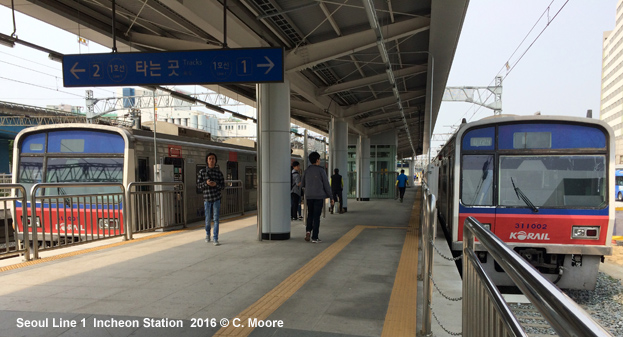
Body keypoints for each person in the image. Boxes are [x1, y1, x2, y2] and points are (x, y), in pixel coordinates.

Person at [301, 151, 333, 243]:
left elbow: (302, 184)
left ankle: (308, 231)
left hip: (309, 196)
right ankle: (315, 237)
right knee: (316, 217)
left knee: (310, 214)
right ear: (317, 160)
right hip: (319, 196)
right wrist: (331, 197)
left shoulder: (306, 171)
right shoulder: (321, 170)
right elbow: (326, 185)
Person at [197, 152, 225, 246]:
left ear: (215, 161)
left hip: (216, 198)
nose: (212, 160)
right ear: (207, 160)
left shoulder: (219, 173)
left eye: (213, 159)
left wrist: (216, 185)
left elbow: (223, 186)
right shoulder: (202, 172)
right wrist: (207, 184)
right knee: (208, 219)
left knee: (216, 219)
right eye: (210, 159)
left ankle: (215, 238)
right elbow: (198, 185)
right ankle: (207, 234)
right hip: (207, 198)